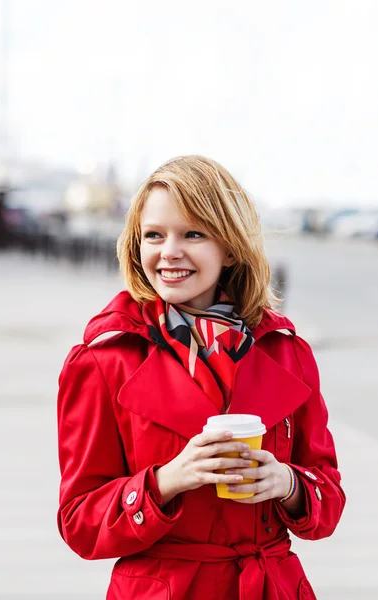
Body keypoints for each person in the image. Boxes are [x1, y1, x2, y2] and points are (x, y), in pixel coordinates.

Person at [57, 156, 345, 599]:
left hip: (272, 586)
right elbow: (79, 522)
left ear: (229, 247)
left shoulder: (287, 352)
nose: (169, 250)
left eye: (193, 233)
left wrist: (287, 484)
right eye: (153, 235)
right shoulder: (103, 361)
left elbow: (328, 499)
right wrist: (168, 479)